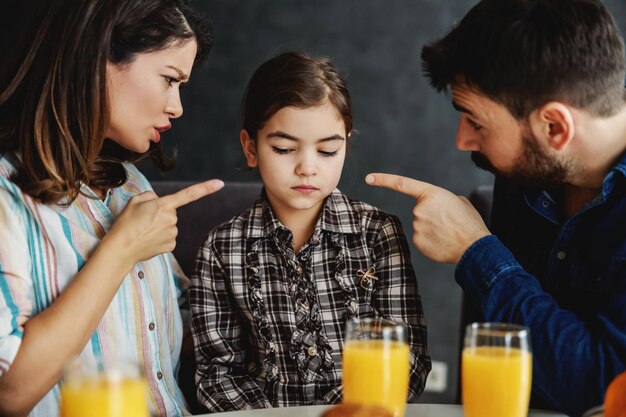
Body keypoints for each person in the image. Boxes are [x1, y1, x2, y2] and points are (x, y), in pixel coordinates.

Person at [365, 0, 626, 415]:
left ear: (554, 127)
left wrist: (476, 250)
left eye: (476, 121)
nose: (463, 140)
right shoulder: (527, 171)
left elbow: (604, 387)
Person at [0, 1, 223, 416]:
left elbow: (183, 324)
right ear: (98, 56)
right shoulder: (6, 198)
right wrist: (120, 250)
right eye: (169, 79)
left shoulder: (130, 185)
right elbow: (10, 393)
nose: (177, 107)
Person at [189, 51, 431, 412]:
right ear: (250, 147)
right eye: (284, 149)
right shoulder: (221, 248)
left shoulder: (378, 233)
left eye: (328, 150)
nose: (307, 167)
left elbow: (407, 359)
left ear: (346, 145)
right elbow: (217, 372)